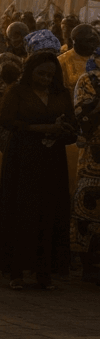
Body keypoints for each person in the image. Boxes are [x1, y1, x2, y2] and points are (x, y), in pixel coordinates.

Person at [0, 52, 75, 290]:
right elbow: (8, 122)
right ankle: (16, 270)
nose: (45, 79)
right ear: (31, 72)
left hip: (52, 158)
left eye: (50, 75)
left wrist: (61, 131)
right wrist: (40, 128)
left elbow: (73, 125)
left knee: (49, 212)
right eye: (41, 74)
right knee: (22, 211)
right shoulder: (18, 92)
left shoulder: (61, 94)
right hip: (23, 157)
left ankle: (44, 271)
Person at [71, 63, 100, 285]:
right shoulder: (89, 80)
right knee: (88, 210)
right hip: (94, 159)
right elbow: (82, 118)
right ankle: (89, 266)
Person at [59, 23, 97, 93]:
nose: (92, 44)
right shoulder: (62, 61)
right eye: (88, 41)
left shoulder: (97, 57)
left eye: (94, 40)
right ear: (75, 42)